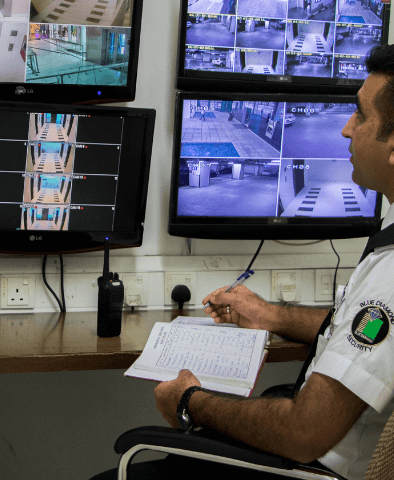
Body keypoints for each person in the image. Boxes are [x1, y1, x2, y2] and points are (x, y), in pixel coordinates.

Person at [90, 44, 394, 480]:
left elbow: (303, 434)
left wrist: (189, 400)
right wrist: (271, 314)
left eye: (361, 116)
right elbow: (361, 330)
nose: (346, 129)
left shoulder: (391, 275)